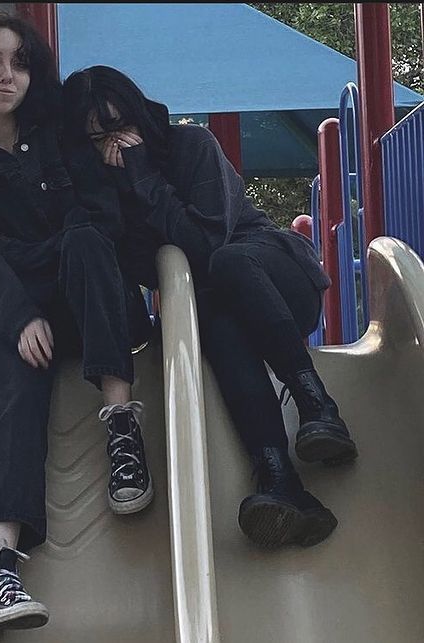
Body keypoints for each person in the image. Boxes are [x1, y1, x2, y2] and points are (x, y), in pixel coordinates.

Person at [62, 65, 359, 550]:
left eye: (121, 127)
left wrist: (144, 178)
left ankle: (315, 402)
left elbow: (204, 243)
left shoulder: (189, 148)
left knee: (226, 263)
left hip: (272, 278)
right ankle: (280, 481)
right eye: (98, 137)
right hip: (218, 306)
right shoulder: (102, 192)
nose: (114, 145)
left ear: (141, 115)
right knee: (217, 328)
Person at [0, 20, 155, 630]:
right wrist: (21, 314)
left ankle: (121, 425)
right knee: (17, 397)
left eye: (19, 63)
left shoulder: (57, 132)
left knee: (82, 239)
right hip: (12, 310)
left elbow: (99, 215)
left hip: (83, 301)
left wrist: (127, 144)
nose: (8, 76)